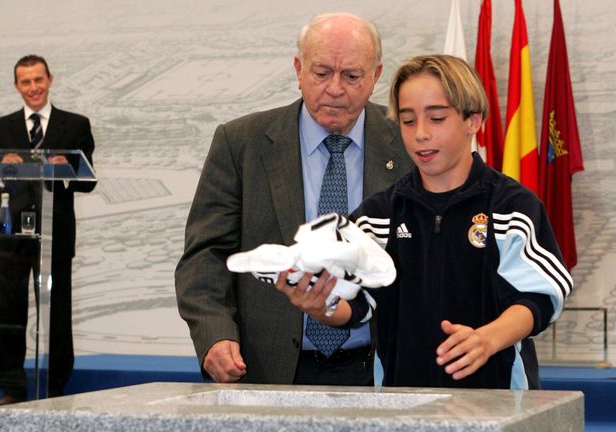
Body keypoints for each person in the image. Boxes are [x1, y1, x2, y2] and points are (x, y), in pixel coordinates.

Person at [275, 54, 572, 389]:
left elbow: (540, 298)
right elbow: (355, 306)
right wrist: (319, 305)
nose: (421, 134)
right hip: (400, 406)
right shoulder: (377, 215)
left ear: (473, 120)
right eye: (408, 121)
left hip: (499, 404)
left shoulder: (512, 206)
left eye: (437, 118)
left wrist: (487, 339)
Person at [175, 12, 410, 385]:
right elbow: (206, 255)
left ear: (376, 75)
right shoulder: (241, 143)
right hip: (269, 368)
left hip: (383, 369)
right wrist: (214, 334)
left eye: (351, 75)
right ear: (299, 69)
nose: (335, 88)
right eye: (321, 73)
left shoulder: (410, 143)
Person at [0, 54, 96, 405]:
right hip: (10, 237)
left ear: (50, 79)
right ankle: (11, 387)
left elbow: (88, 182)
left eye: (38, 80)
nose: (33, 87)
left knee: (57, 315)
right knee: (9, 315)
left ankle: (54, 385)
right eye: (25, 82)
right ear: (16, 86)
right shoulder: (0, 127)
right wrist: (2, 167)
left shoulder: (75, 124)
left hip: (56, 236)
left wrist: (66, 170)